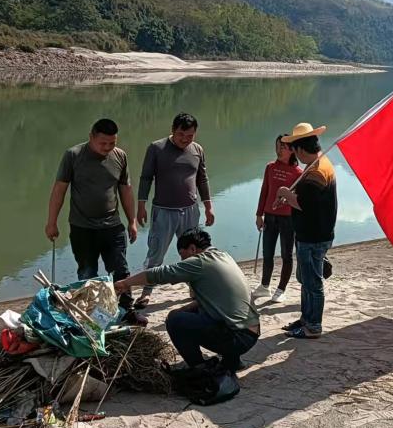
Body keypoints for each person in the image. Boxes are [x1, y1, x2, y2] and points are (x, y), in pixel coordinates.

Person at [113, 228, 259, 377]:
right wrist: (182, 310)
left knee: (175, 321)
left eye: (183, 256)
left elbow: (160, 273)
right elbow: (213, 301)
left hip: (238, 338)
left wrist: (125, 283)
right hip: (250, 332)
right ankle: (232, 361)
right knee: (186, 313)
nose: (183, 261)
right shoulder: (224, 256)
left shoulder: (200, 262)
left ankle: (199, 367)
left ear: (193, 249)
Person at [45, 118, 144, 324]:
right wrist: (52, 222)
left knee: (121, 270)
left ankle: (126, 310)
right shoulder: (73, 155)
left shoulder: (120, 156)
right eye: (103, 143)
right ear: (91, 137)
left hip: (112, 226)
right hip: (83, 228)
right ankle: (91, 315)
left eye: (112, 143)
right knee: (88, 272)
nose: (107, 148)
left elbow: (125, 189)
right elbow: (59, 190)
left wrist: (132, 220)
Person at [135, 112, 214, 308]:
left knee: (194, 253)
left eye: (190, 136)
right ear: (172, 130)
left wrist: (208, 206)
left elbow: (202, 179)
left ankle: (195, 289)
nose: (185, 139)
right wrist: (141, 205)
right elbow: (146, 178)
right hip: (164, 211)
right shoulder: (156, 148)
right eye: (181, 135)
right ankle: (146, 292)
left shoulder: (197, 150)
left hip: (190, 210)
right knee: (156, 253)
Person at [275, 123, 337, 339]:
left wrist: (285, 193)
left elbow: (305, 205)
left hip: (313, 237)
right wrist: (290, 196)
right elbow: (308, 201)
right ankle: (306, 318)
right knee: (306, 280)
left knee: (313, 283)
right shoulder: (319, 164)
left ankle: (313, 326)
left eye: (295, 150)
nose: (295, 155)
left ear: (301, 149)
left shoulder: (316, 173)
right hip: (312, 234)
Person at [252, 135, 302, 303]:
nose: (279, 150)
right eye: (277, 146)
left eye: (283, 147)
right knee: (267, 253)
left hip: (288, 219)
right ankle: (265, 286)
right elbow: (264, 191)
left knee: (286, 255)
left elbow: (298, 200)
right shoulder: (270, 167)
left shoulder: (298, 173)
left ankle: (281, 290)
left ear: (292, 150)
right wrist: (259, 214)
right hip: (270, 217)